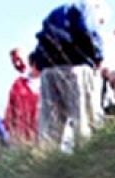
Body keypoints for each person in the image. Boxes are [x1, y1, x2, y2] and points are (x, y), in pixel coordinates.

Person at [31, 1, 107, 152]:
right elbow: (88, 30)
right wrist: (98, 56)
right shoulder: (86, 7)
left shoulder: (55, 13)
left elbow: (41, 41)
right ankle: (88, 157)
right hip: (75, 69)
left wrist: (40, 63)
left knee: (49, 129)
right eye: (101, 22)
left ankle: (47, 161)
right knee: (84, 121)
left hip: (48, 72)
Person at [5, 49, 41, 143]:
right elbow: (10, 113)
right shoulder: (17, 85)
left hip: (45, 132)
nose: (17, 64)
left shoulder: (46, 78)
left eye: (19, 59)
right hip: (24, 138)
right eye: (14, 62)